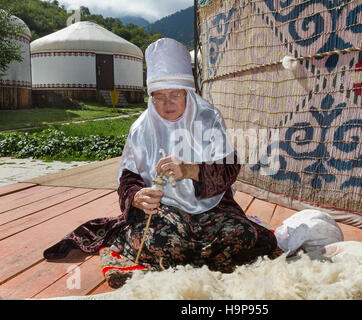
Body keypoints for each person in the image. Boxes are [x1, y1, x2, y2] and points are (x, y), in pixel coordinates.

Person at [43, 38, 278, 288]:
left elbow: (229, 169)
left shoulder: (209, 117)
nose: (167, 104)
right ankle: (198, 258)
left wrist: (190, 169)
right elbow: (128, 178)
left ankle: (182, 258)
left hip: (212, 209)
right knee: (165, 242)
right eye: (159, 96)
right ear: (151, 96)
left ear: (187, 92)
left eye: (175, 94)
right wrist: (136, 197)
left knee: (246, 236)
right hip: (163, 212)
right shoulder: (141, 128)